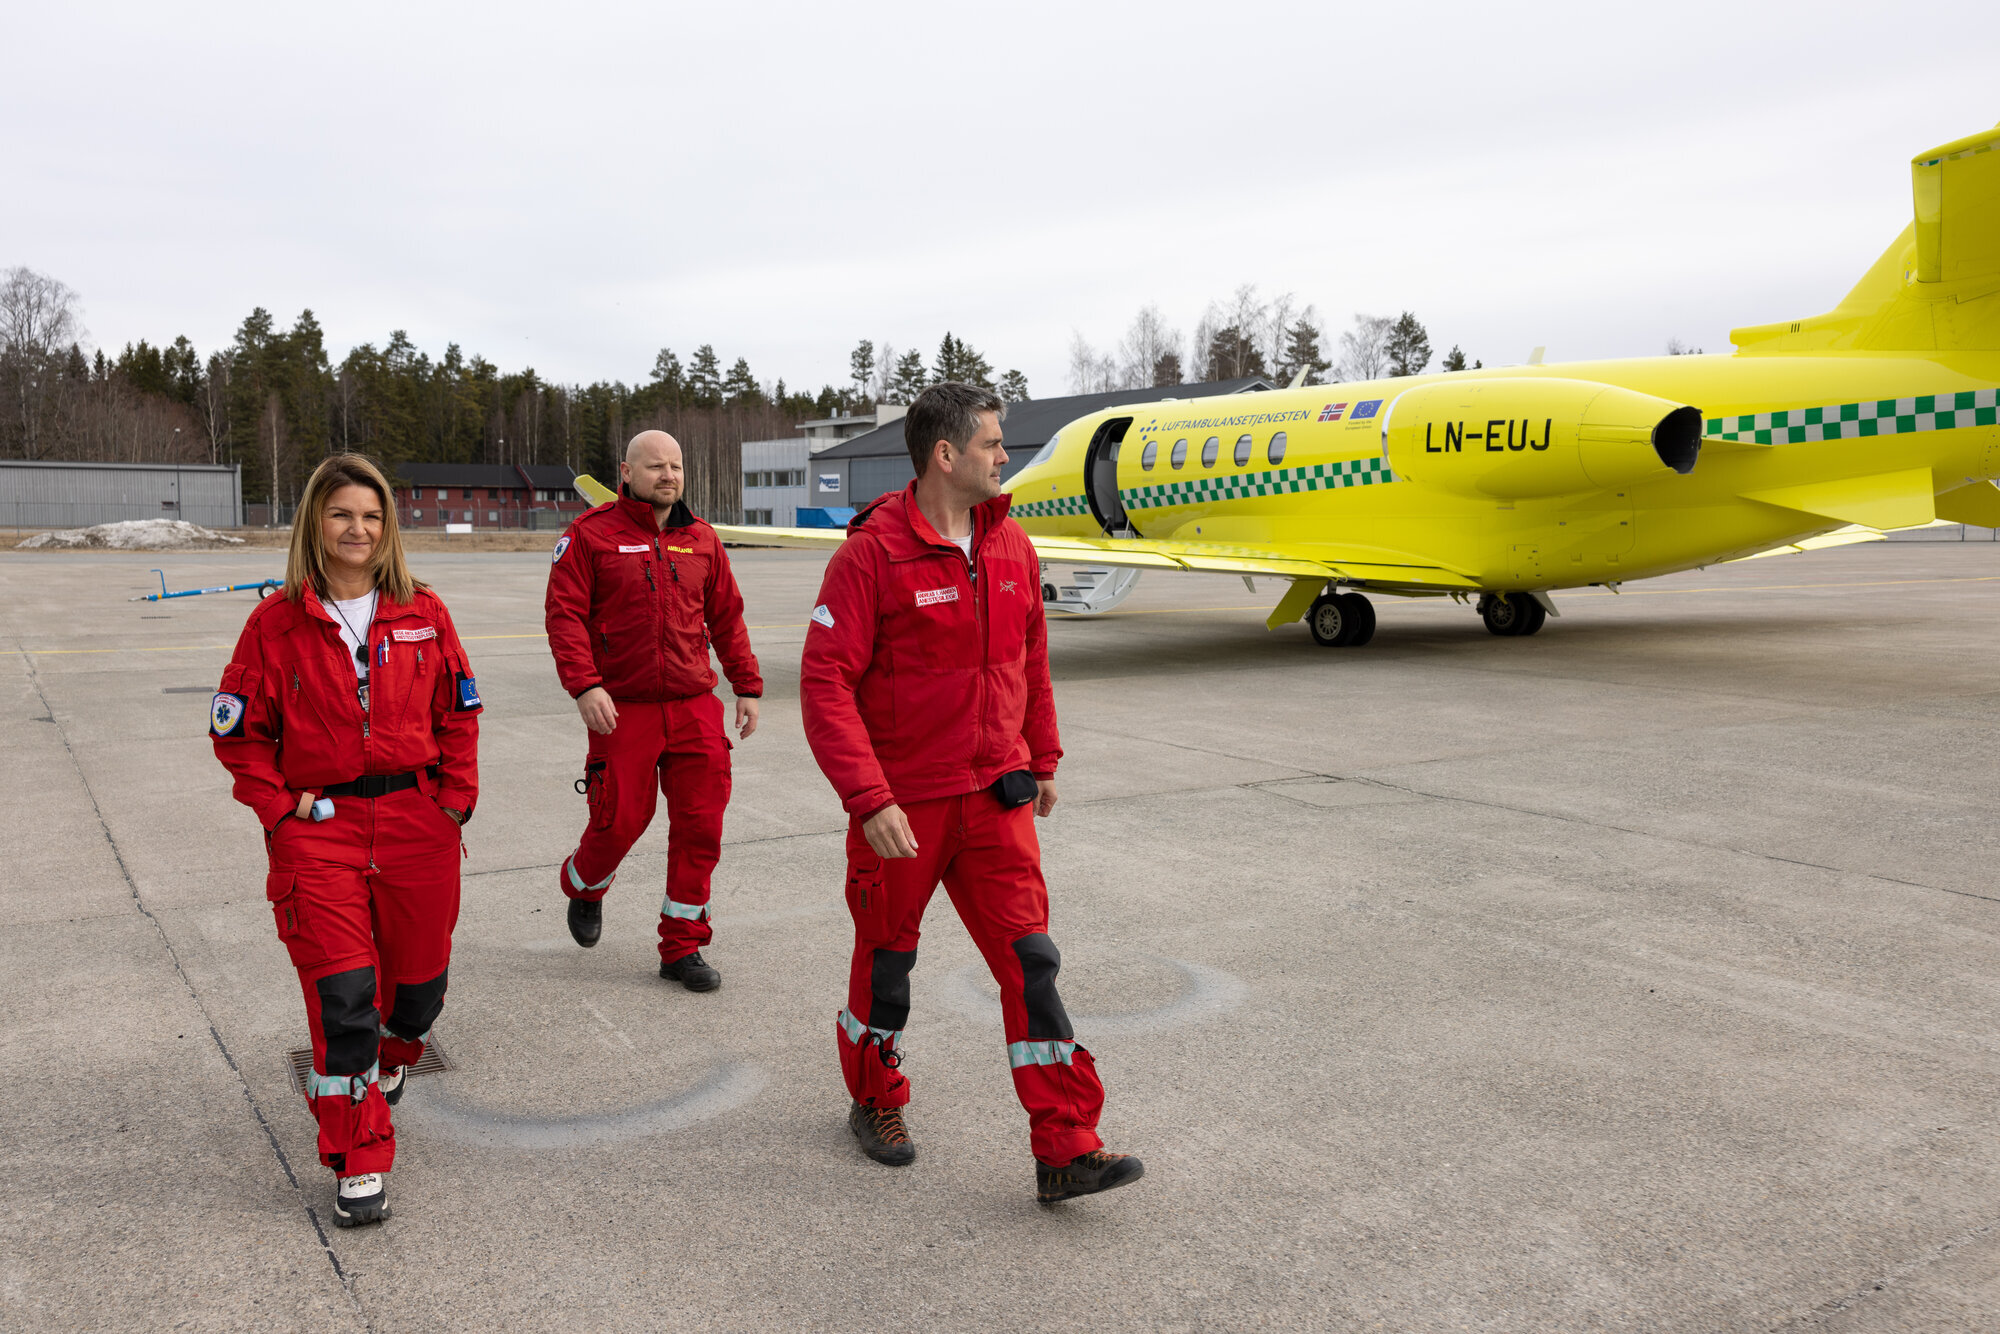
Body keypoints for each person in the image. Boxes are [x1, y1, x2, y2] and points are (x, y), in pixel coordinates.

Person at [800, 382, 1144, 1204]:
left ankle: (1066, 1146)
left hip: (998, 796)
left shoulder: (1012, 546)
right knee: (888, 968)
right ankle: (874, 1098)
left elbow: (1030, 662)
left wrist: (1045, 756)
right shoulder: (870, 556)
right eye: (992, 443)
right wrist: (869, 798)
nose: (1005, 456)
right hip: (905, 808)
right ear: (945, 456)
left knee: (1033, 967)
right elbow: (824, 684)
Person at [210, 454, 481, 1228]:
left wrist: (453, 805)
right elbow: (237, 737)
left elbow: (459, 712)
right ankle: (358, 1157)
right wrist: (277, 809)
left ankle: (397, 1060)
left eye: (370, 515)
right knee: (343, 1002)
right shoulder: (275, 622)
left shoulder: (424, 611)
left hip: (416, 827)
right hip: (318, 834)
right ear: (314, 525)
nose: (356, 529)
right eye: (340, 515)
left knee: (419, 993)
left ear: (387, 525)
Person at [545, 430, 762, 989]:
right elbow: (564, 616)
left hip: (693, 707)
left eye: (676, 466)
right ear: (626, 471)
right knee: (619, 822)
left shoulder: (702, 540)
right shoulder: (590, 537)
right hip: (623, 709)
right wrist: (585, 685)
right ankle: (584, 884)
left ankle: (681, 948)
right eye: (656, 467)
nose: (668, 475)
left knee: (701, 829)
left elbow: (727, 619)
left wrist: (747, 684)